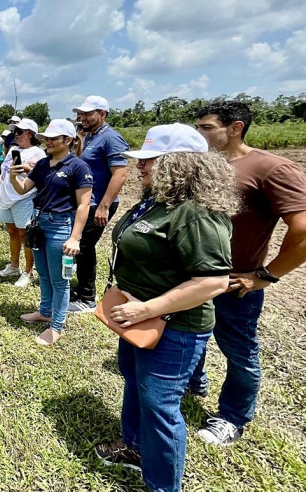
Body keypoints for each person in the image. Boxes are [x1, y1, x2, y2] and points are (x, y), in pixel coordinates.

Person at [93, 123, 239, 492]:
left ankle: (162, 485)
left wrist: (148, 309)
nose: (140, 167)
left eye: (149, 160)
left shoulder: (195, 213)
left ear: (179, 164)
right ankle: (135, 447)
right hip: (137, 318)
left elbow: (212, 281)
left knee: (160, 406)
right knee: (135, 383)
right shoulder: (157, 202)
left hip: (174, 328)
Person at [188, 101, 306, 446]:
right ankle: (194, 382)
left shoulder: (271, 168)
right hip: (192, 277)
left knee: (239, 350)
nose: (200, 133)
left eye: (207, 127)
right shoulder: (205, 165)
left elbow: (301, 231)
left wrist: (265, 276)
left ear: (236, 127)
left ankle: (233, 416)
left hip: (234, 283)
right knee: (191, 334)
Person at [10, 119, 92, 344]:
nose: (48, 141)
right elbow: (24, 188)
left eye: (54, 138)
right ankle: (45, 312)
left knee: (59, 280)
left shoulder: (78, 167)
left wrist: (75, 237)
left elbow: (84, 205)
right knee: (44, 274)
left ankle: (57, 326)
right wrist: (12, 176)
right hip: (38, 223)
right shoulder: (44, 164)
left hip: (60, 226)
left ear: (68, 140)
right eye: (47, 137)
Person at [69, 96, 129, 313]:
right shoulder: (91, 136)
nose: (82, 117)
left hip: (99, 203)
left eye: (88, 113)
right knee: (81, 248)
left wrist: (104, 205)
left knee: (84, 247)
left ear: (103, 114)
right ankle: (80, 288)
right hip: (87, 201)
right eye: (81, 113)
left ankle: (87, 298)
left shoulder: (111, 138)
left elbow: (120, 174)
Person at [0, 118, 46, 288]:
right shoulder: (13, 149)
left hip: (24, 197)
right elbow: (6, 169)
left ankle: (28, 271)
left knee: (26, 235)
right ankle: (14, 265)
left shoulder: (38, 153)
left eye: (19, 132)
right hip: (7, 196)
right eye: (15, 132)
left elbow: (40, 175)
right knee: (12, 231)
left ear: (30, 134)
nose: (15, 135)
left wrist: (27, 168)